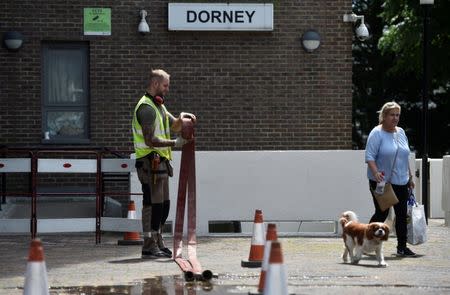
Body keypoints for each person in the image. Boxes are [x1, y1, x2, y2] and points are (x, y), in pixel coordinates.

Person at [132, 69, 196, 258]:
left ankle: (158, 241)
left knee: (164, 205)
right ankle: (149, 245)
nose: (167, 89)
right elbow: (150, 139)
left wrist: (183, 119)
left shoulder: (159, 106)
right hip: (149, 162)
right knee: (152, 204)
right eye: (165, 85)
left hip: (160, 164)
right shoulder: (147, 108)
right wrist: (175, 143)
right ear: (155, 84)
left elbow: (173, 125)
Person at [365, 101, 416, 257]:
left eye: (397, 115)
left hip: (401, 180)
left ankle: (402, 247)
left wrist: (410, 176)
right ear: (384, 116)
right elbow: (369, 157)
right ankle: (366, 241)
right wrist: (376, 173)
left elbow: (404, 155)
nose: (395, 118)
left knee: (402, 214)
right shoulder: (377, 133)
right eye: (392, 115)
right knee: (382, 213)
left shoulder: (400, 132)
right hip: (382, 182)